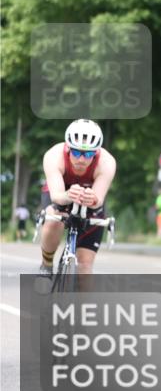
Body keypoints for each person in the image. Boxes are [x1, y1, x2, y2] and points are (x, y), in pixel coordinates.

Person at [37, 119, 117, 278]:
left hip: (90, 196)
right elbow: (57, 196)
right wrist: (67, 195)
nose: (81, 159)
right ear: (67, 148)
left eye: (88, 154)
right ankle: (46, 265)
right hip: (60, 191)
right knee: (54, 218)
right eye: (76, 152)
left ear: (96, 152)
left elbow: (99, 199)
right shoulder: (54, 155)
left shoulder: (107, 162)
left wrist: (92, 199)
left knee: (85, 266)